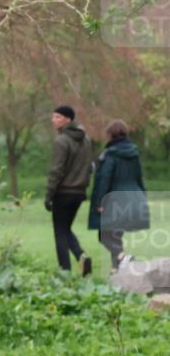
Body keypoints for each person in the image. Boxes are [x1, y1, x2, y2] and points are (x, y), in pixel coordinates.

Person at [88, 119, 149, 271]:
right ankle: (117, 270)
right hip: (133, 196)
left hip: (115, 199)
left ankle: (122, 257)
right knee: (114, 235)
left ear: (110, 135)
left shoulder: (110, 154)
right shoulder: (134, 153)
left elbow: (105, 179)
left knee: (105, 236)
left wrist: (101, 201)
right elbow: (139, 176)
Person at [45, 105, 93, 276]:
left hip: (63, 193)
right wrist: (84, 186)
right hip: (79, 193)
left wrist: (49, 195)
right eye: (53, 117)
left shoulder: (61, 141)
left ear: (68, 120)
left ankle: (64, 273)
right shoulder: (86, 140)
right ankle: (82, 257)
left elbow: (56, 170)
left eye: (57, 117)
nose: (53, 120)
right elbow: (89, 167)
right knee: (65, 229)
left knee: (60, 232)